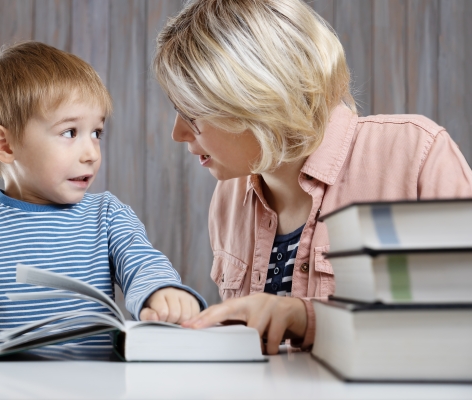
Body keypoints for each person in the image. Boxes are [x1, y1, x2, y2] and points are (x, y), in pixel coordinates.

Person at [152, 0, 472, 354]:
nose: (177, 133)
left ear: (255, 100)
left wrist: (309, 319)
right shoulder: (229, 196)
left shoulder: (414, 155)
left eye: (192, 114)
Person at [0, 41, 205, 345]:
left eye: (96, 133)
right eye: (70, 132)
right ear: (5, 145)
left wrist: (161, 291)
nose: (91, 153)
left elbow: (144, 263)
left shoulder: (109, 216)